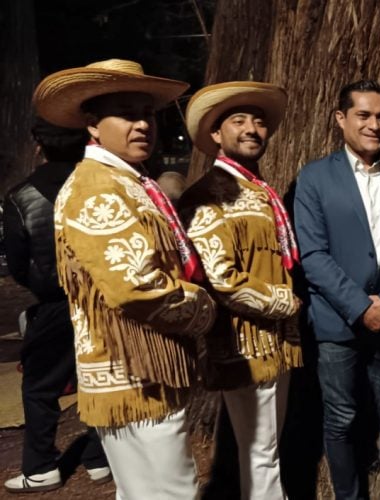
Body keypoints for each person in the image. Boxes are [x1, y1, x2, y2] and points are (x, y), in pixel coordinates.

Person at [33, 59, 216, 498]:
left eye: (147, 113)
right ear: (93, 125)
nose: (142, 124)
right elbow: (136, 288)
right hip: (136, 367)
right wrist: (205, 307)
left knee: (145, 492)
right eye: (128, 113)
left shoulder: (125, 180)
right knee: (172, 492)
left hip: (135, 367)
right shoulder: (99, 186)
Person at [294, 80, 380, 500]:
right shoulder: (315, 177)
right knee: (341, 419)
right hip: (337, 324)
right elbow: (313, 254)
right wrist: (358, 306)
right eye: (364, 115)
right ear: (341, 119)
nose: (375, 125)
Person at [180, 81, 302, 500]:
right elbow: (221, 280)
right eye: (238, 120)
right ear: (216, 134)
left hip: (273, 343)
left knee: (263, 449)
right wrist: (286, 302)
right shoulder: (208, 194)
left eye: (259, 121)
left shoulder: (259, 189)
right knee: (260, 452)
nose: (252, 128)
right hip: (241, 344)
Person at [3, 118, 110, 493]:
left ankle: (41, 466)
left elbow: (18, 261)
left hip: (54, 304)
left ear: (38, 146)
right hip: (105, 300)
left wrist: (39, 285)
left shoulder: (21, 196)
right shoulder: (99, 182)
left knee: (39, 387)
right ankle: (100, 457)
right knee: (98, 376)